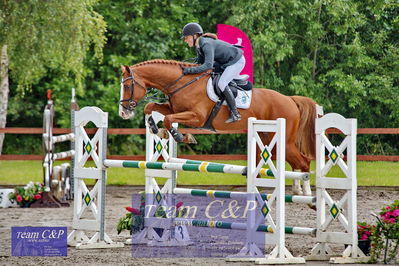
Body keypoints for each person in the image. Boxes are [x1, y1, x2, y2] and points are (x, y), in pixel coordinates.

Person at [181, 22, 245, 123]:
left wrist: (189, 70)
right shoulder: (199, 46)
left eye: (186, 37)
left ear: (194, 36)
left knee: (221, 83)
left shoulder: (206, 44)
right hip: (225, 62)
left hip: (236, 61)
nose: (185, 40)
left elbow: (208, 66)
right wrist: (185, 68)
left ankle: (235, 113)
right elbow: (199, 64)